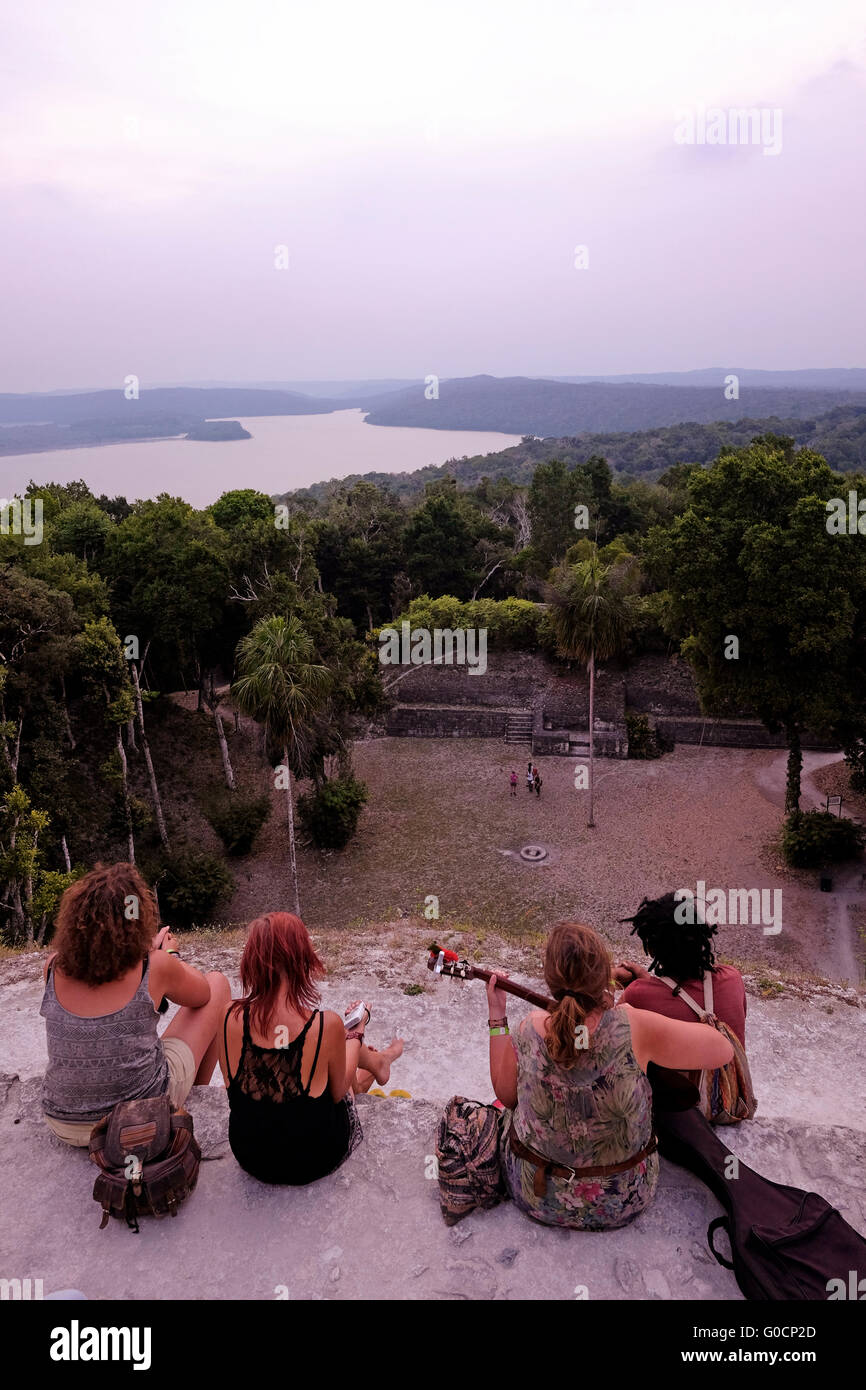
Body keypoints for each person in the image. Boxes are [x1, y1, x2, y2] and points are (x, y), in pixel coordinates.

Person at [485, 922, 733, 1230]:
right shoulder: (634, 1026)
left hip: (537, 1194)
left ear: (549, 979)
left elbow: (507, 1097)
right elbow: (723, 1050)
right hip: (624, 1198)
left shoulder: (528, 1027)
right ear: (602, 978)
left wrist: (497, 1015)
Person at [40, 863, 230, 1146]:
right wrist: (170, 956)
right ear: (137, 919)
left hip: (64, 1124)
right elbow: (202, 995)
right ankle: (192, 1097)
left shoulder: (53, 967)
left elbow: (102, 964)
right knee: (218, 984)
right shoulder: (154, 967)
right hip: (136, 1121)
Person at [219, 911, 404, 1185]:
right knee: (341, 1075)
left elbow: (232, 1087)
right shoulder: (324, 1023)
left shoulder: (228, 1015)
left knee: (325, 1056)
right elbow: (340, 1091)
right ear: (301, 961)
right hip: (314, 1158)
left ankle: (378, 1063)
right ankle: (378, 1063)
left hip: (251, 1155)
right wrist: (356, 1033)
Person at [615, 893, 747, 1044]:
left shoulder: (637, 996)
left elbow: (604, 1036)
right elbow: (682, 1001)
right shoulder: (732, 979)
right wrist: (647, 981)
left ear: (651, 949)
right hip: (730, 1067)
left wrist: (610, 979)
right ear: (700, 935)